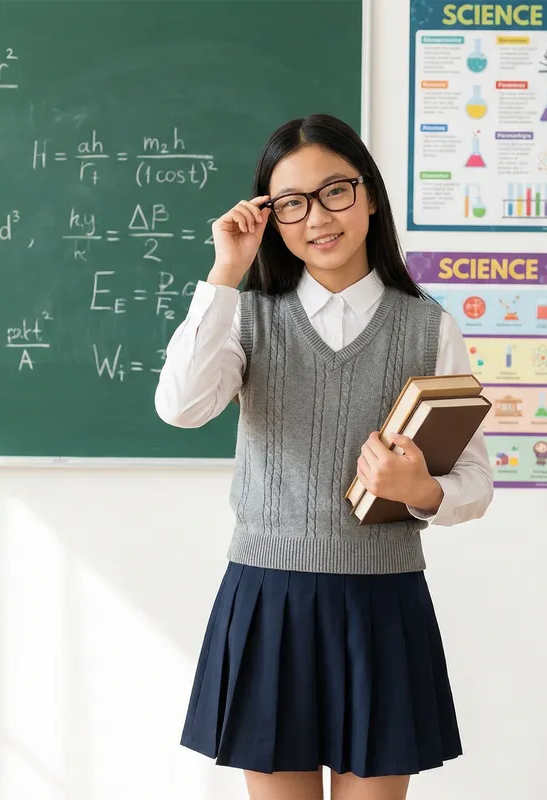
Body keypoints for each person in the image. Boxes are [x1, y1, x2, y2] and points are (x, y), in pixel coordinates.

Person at [155, 114, 494, 800]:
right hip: (267, 598)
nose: (317, 218)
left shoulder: (429, 326)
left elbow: (475, 481)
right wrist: (225, 274)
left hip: (382, 601)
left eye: (335, 191)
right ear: (272, 218)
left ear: (370, 196)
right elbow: (181, 407)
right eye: (292, 203)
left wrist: (421, 489)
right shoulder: (246, 315)